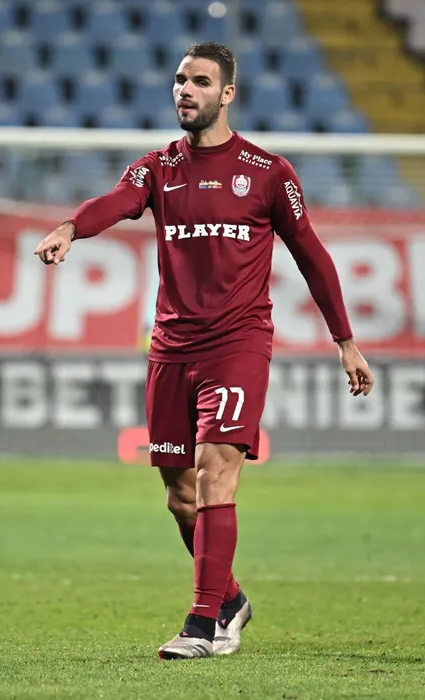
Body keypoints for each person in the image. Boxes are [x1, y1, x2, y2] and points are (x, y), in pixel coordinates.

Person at [34, 42, 374, 660]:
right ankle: (230, 598)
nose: (185, 90)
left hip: (238, 344)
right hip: (171, 348)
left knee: (216, 469)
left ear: (227, 93)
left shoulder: (268, 173)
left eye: (199, 81)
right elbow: (115, 201)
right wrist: (71, 227)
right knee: (179, 493)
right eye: (179, 80)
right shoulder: (158, 167)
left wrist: (345, 341)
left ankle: (202, 626)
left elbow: (313, 256)